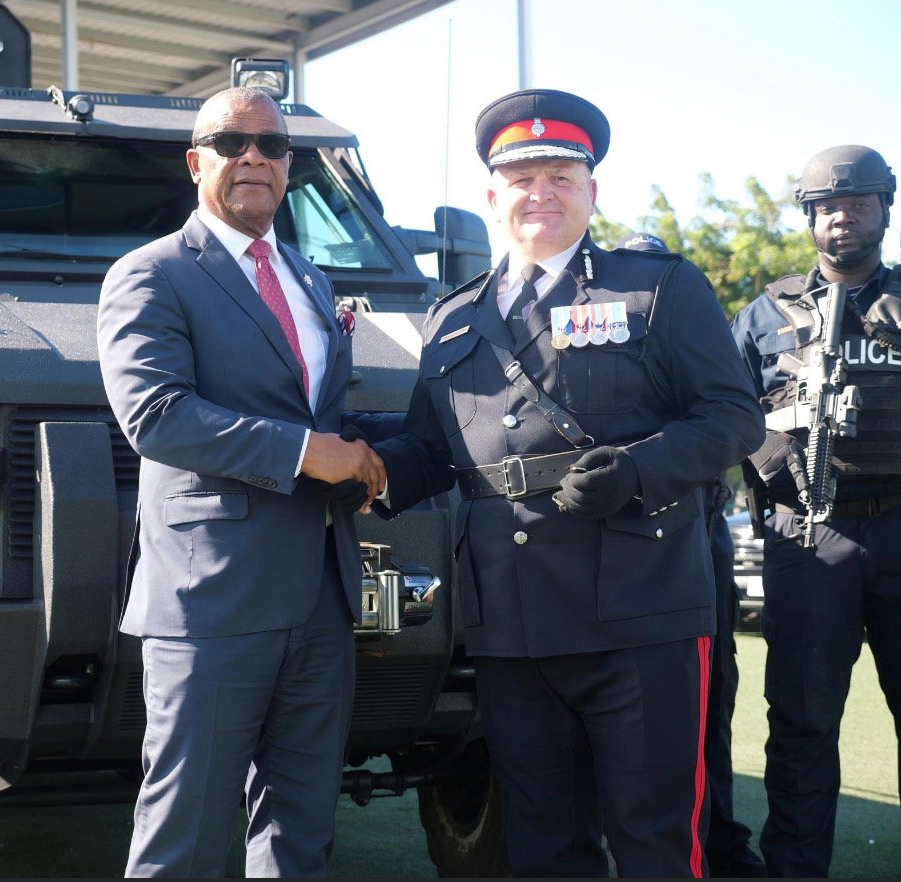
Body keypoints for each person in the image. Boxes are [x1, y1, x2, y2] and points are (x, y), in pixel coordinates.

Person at [370, 89, 765, 877]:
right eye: (521, 179)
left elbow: (733, 419)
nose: (539, 194)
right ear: (493, 196)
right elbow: (427, 449)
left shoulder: (656, 288)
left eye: (560, 176)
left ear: (592, 192)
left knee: (656, 841)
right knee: (543, 847)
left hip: (640, 609)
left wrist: (638, 468)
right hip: (513, 624)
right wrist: (348, 465)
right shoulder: (453, 318)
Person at [96, 86, 386, 877]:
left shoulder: (310, 279)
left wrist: (364, 453)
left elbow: (321, 411)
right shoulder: (150, 274)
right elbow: (155, 416)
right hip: (212, 602)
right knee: (184, 835)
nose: (251, 156)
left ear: (290, 166)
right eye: (230, 143)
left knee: (300, 832)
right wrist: (302, 452)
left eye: (270, 144)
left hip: (320, 598)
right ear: (197, 163)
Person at [730, 144, 901, 878]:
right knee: (801, 722)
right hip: (806, 535)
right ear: (807, 218)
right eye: (827, 206)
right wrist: (768, 452)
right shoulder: (763, 315)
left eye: (858, 202)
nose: (842, 217)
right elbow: (719, 411)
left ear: (886, 209)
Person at [617, 231, 767, 877]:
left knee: (709, 705)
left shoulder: (690, 335)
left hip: (698, 536)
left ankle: (721, 839)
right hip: (625, 542)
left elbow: (728, 421)